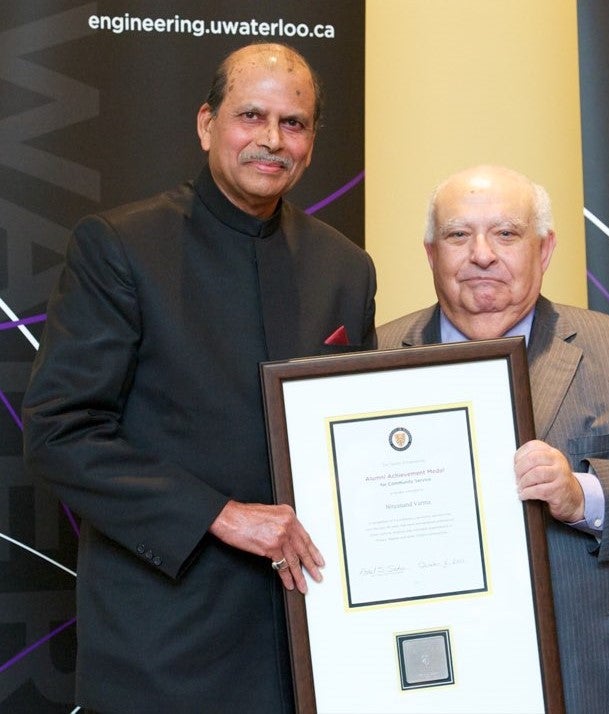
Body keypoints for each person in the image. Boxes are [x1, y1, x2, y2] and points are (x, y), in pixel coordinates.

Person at [22, 43, 376, 714]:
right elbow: (59, 434)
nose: (272, 140)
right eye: (251, 116)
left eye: (293, 123)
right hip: (164, 644)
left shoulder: (345, 268)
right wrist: (217, 514)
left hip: (308, 643)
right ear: (207, 123)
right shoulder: (121, 246)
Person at [377, 164, 609, 713]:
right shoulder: (371, 358)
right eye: (459, 235)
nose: (482, 253)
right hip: (435, 677)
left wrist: (583, 495)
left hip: (599, 675)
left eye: (506, 233)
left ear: (546, 249)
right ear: (430, 252)